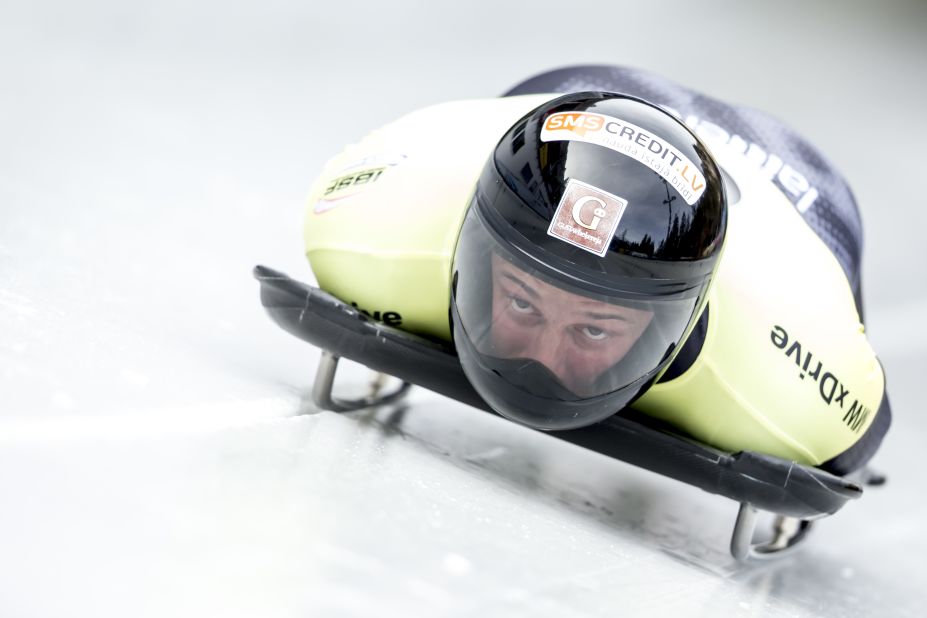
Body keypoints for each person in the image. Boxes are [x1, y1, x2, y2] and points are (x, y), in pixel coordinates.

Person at [303, 65, 890, 475]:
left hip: (798, 190)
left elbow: (856, 434)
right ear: (475, 253)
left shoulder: (789, 386)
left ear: (676, 325)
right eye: (522, 302)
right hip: (569, 96)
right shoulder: (368, 223)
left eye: (594, 328)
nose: (543, 363)